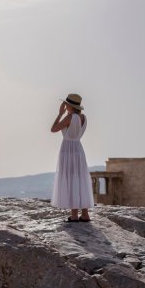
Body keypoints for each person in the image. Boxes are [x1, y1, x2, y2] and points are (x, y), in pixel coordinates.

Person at [50, 94, 94, 222]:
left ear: (70, 106)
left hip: (68, 150)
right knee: (79, 179)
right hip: (78, 149)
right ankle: (85, 214)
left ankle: (74, 215)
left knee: (70, 178)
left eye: (66, 104)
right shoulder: (83, 117)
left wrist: (59, 114)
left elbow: (53, 129)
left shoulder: (69, 117)